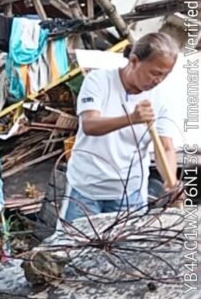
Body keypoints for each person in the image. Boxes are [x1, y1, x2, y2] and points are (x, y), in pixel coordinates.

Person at [62, 32, 180, 223]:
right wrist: (131, 118)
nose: (158, 80)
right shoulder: (99, 81)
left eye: (165, 75)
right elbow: (89, 125)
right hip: (86, 190)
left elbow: (166, 147)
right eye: (155, 73)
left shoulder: (161, 98)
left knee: (128, 242)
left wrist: (170, 180)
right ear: (134, 61)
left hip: (129, 194)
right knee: (76, 241)